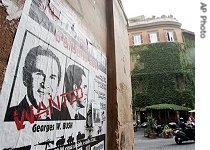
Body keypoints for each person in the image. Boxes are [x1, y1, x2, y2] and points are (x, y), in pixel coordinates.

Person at [5, 45, 61, 121]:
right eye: (39, 74)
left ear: (58, 84)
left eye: (52, 77)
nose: (45, 84)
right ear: (26, 77)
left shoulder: (60, 115)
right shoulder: (10, 116)